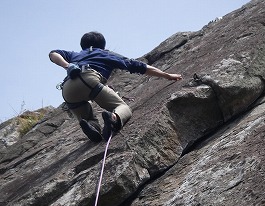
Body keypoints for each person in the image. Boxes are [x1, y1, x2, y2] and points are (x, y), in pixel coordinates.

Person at [49, 31, 182, 142]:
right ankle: (113, 118)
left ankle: (91, 126)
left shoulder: (75, 55)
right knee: (122, 107)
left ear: (82, 45)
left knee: (87, 117)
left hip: (68, 89)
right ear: (103, 45)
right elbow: (139, 66)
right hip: (89, 80)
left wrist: (67, 65)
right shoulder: (106, 54)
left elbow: (53, 53)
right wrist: (166, 75)